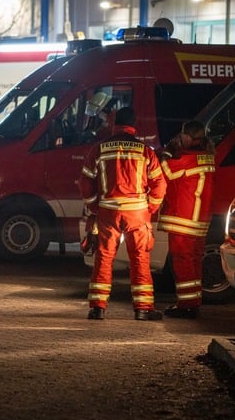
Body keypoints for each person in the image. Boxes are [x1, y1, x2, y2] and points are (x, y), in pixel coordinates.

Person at [78, 106, 167, 321]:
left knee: (104, 258)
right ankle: (143, 309)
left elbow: (85, 182)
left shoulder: (99, 149)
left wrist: (94, 208)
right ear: (134, 125)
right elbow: (159, 185)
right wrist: (151, 208)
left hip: (108, 212)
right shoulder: (145, 151)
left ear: (114, 124)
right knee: (139, 259)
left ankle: (97, 308)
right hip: (137, 212)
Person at [157, 120, 216, 319]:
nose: (179, 138)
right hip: (199, 219)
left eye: (182, 135)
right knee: (194, 262)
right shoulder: (206, 157)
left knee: (182, 261)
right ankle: (193, 301)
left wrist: (166, 152)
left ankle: (187, 305)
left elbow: (166, 171)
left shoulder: (188, 158)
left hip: (184, 217)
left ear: (189, 137)